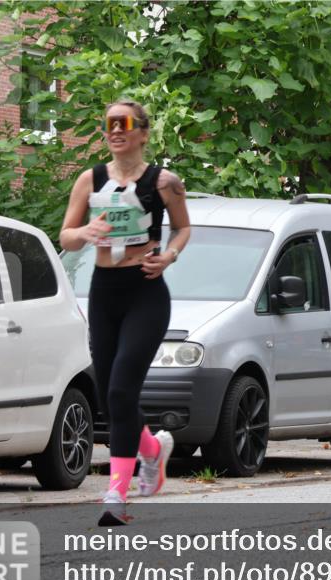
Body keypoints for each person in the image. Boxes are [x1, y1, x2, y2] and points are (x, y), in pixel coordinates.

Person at [59, 100, 191, 524]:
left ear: (143, 133)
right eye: (109, 124)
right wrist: (83, 231)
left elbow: (184, 227)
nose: (115, 130)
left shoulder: (164, 181)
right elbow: (67, 234)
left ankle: (115, 494)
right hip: (104, 292)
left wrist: (168, 255)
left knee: (120, 392)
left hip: (146, 292)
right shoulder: (90, 179)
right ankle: (152, 450)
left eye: (125, 123)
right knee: (108, 394)